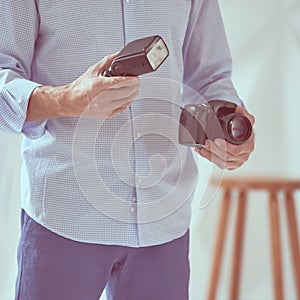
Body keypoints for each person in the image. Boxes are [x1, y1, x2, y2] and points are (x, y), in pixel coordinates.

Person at [0, 1, 255, 299]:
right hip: (65, 215)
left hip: (163, 219)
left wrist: (226, 128)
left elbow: (211, 78)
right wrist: (68, 99)